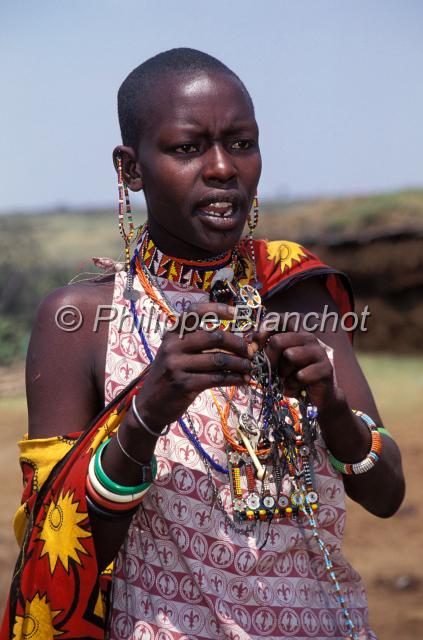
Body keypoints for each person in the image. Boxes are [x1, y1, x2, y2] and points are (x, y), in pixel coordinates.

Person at [2, 48, 405, 640]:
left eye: (241, 143)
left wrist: (333, 409)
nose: (222, 167)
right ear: (130, 170)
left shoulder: (297, 294)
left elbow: (387, 494)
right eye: (188, 148)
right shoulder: (81, 321)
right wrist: (147, 411)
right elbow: (58, 550)